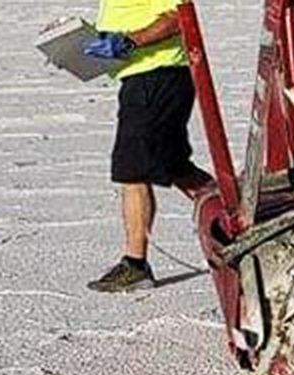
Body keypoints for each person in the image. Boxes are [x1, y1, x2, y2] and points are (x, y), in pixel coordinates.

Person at [83, 0, 211, 293]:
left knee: (132, 170)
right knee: (173, 165)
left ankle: (136, 265)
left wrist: (129, 41)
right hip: (144, 75)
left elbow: (179, 16)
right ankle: (239, 217)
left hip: (157, 75)